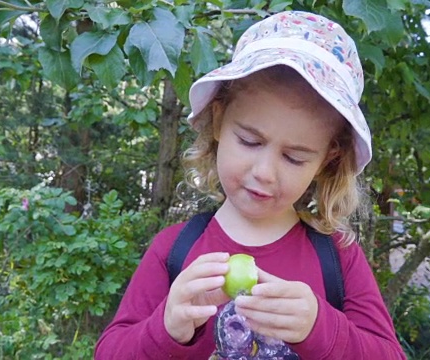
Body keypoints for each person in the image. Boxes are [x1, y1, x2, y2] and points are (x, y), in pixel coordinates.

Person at [95, 10, 406, 359]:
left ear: (327, 160)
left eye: (294, 158)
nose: (265, 172)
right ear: (218, 121)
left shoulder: (337, 257)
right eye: (250, 141)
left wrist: (322, 327)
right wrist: (165, 330)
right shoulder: (174, 250)